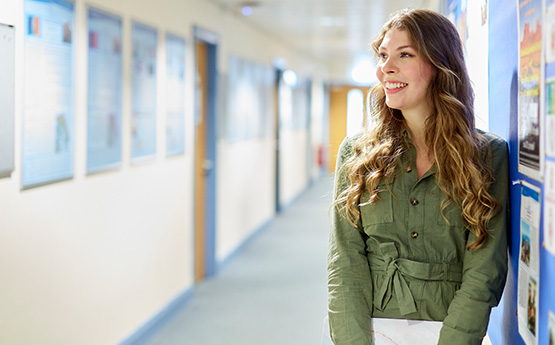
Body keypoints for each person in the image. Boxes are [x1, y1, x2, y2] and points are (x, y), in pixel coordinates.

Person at [327, 8, 509, 345]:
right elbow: (344, 263)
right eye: (383, 55)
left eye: (404, 54)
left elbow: (485, 268)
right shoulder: (357, 153)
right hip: (371, 331)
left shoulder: (487, 155)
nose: (386, 68)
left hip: (453, 332)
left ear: (441, 65)